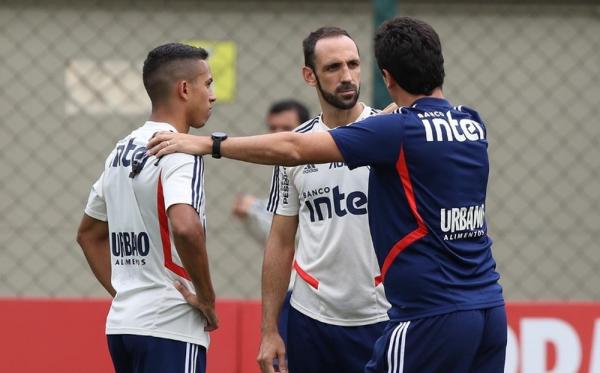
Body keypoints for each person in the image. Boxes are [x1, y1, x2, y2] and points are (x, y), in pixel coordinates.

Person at [147, 16, 507, 373]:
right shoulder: (465, 122)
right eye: (333, 67)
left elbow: (294, 147)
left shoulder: (388, 130)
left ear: (384, 75)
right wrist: (269, 329)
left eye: (353, 64)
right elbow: (281, 237)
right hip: (315, 317)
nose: (347, 75)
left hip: (391, 313)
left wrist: (205, 143)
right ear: (310, 75)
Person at [77, 42, 218, 373]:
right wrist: (208, 299)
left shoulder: (120, 150)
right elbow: (185, 226)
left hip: (124, 324)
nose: (212, 95)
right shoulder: (180, 149)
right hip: (171, 324)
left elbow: (88, 234)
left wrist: (128, 293)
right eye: (208, 84)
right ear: (185, 89)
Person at [232, 99, 310, 244]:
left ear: (306, 130)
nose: (277, 136)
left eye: (287, 128)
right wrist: (250, 213)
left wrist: (254, 209)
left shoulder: (314, 169)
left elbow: (299, 239)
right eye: (273, 128)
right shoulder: (283, 169)